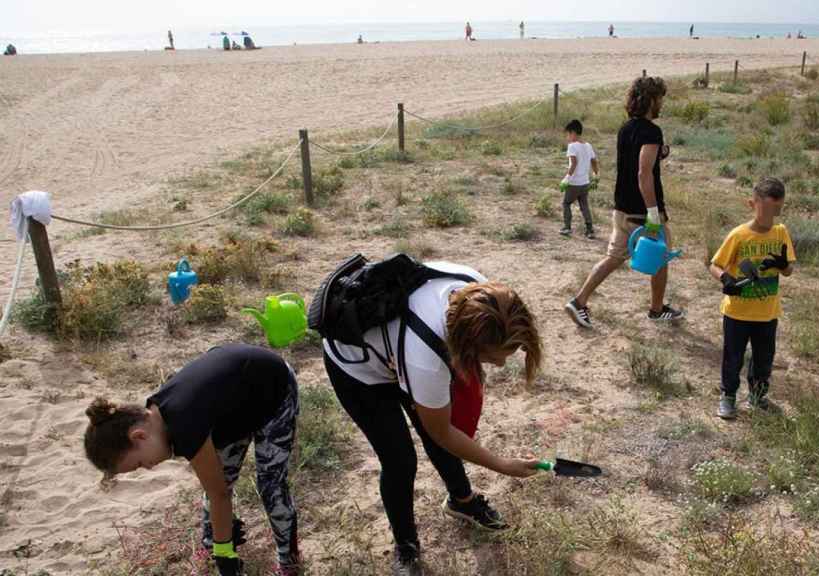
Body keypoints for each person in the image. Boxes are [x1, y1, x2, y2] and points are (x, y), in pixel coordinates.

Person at [322, 264, 543, 576]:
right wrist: (504, 465)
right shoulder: (425, 357)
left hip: (398, 346)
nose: (501, 363)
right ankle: (406, 547)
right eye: (494, 356)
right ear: (465, 346)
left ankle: (462, 502)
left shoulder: (481, 292)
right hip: (360, 370)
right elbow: (443, 433)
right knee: (400, 460)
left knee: (437, 425)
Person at [82, 344, 302, 575]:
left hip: (274, 387)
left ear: (139, 436)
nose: (147, 467)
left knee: (270, 487)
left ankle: (290, 562)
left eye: (139, 464)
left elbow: (220, 496)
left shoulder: (184, 425)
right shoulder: (156, 414)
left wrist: (225, 555)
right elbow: (215, 486)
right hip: (236, 402)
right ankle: (212, 545)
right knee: (218, 480)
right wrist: (220, 539)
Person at [565, 76, 684, 329]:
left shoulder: (626, 128)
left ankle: (579, 301)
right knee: (661, 256)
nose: (662, 103)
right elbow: (643, 172)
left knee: (613, 258)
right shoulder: (652, 131)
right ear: (651, 100)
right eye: (660, 98)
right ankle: (656, 309)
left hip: (622, 208)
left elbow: (635, 159)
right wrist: (653, 213)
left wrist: (660, 152)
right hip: (644, 212)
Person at [708, 177, 796, 420]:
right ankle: (728, 397)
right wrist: (725, 278)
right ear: (752, 203)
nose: (770, 217)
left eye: (776, 211)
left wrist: (782, 266)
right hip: (737, 312)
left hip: (767, 313)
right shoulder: (739, 235)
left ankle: (757, 396)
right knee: (732, 357)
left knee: (763, 359)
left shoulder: (781, 233)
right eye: (766, 210)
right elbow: (714, 265)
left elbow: (788, 270)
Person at [560, 119, 599, 239]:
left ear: (573, 132)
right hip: (585, 183)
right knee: (584, 205)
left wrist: (566, 178)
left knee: (566, 203)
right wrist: (595, 175)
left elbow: (573, 163)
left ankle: (567, 227)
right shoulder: (588, 146)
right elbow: (594, 161)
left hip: (574, 183)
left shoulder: (572, 146)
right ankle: (589, 229)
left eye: (568, 134)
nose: (567, 137)